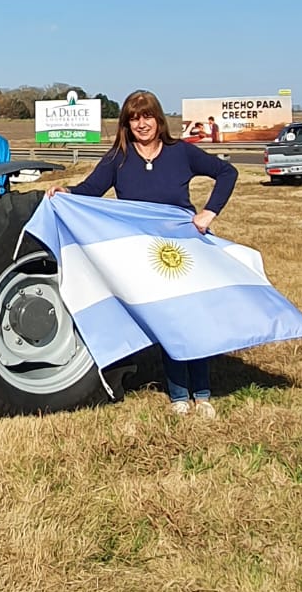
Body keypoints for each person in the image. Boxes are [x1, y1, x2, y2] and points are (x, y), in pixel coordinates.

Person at [46, 89, 237, 417]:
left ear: (158, 119)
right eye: (134, 118)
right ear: (126, 124)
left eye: (147, 116)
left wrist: (209, 213)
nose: (141, 124)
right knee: (168, 320)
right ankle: (178, 395)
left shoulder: (181, 153)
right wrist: (68, 192)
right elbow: (91, 190)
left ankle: (202, 394)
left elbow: (227, 173)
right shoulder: (119, 157)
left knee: (193, 318)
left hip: (182, 250)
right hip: (142, 254)